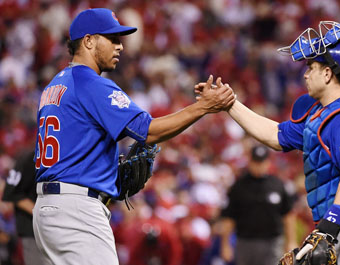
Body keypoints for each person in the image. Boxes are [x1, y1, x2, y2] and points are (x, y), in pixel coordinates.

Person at [33, 8, 235, 265]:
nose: (120, 47)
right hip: (77, 211)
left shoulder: (55, 85)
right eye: (113, 39)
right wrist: (204, 107)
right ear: (88, 41)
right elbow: (148, 132)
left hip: (49, 209)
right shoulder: (90, 82)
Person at [196, 21, 340, 265]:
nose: (306, 74)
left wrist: (328, 228)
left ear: (328, 73)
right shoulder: (322, 116)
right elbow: (275, 134)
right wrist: (230, 104)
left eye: (312, 67)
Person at [219, 144, 297, 265]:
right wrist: (225, 244)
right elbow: (229, 217)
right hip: (245, 242)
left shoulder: (277, 184)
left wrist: (291, 241)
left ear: (267, 162)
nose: (258, 166)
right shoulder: (239, 186)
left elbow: (288, 215)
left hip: (272, 241)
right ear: (250, 161)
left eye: (261, 162)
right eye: (255, 162)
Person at [2, 149, 43, 265]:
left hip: (52, 228)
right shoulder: (29, 158)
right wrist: (39, 213)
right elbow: (10, 192)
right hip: (32, 230)